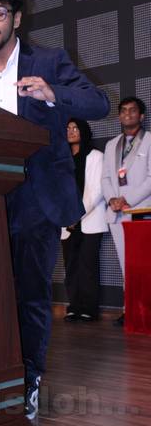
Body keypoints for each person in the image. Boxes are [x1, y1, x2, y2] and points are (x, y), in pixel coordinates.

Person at [0, 0, 110, 419]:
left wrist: (52, 93)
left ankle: (28, 379)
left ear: (16, 19)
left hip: (36, 199)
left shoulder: (48, 61)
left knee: (30, 294)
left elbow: (98, 103)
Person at [101, 96, 151, 326]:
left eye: (132, 110)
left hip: (141, 211)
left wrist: (126, 199)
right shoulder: (112, 145)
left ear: (142, 116)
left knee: (145, 264)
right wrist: (112, 199)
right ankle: (130, 309)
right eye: (123, 110)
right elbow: (106, 178)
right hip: (117, 213)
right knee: (126, 264)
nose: (127, 114)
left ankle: (145, 310)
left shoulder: (149, 140)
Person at [61, 119, 108, 323]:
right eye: (68, 129)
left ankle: (89, 308)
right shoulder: (61, 159)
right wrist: (66, 216)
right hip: (66, 222)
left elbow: (97, 191)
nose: (71, 132)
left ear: (83, 131)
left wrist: (76, 215)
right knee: (71, 266)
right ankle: (74, 306)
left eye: (75, 128)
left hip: (90, 219)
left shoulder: (97, 156)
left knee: (88, 266)